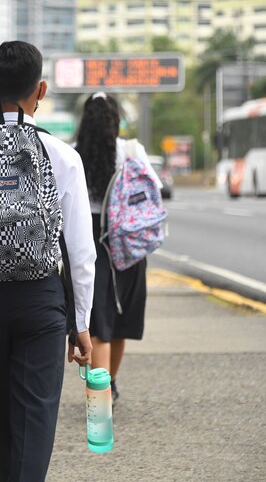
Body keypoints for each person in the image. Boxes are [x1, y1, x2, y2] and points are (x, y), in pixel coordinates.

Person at [0, 40, 96, 482]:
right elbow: (82, 251)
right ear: (41, 90)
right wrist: (80, 322)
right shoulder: (63, 157)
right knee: (34, 422)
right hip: (41, 301)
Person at [74, 91, 162, 403]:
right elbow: (154, 190)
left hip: (90, 246)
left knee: (99, 324)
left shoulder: (73, 154)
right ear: (117, 119)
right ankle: (109, 384)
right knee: (122, 321)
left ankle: (101, 392)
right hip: (128, 244)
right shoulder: (131, 150)